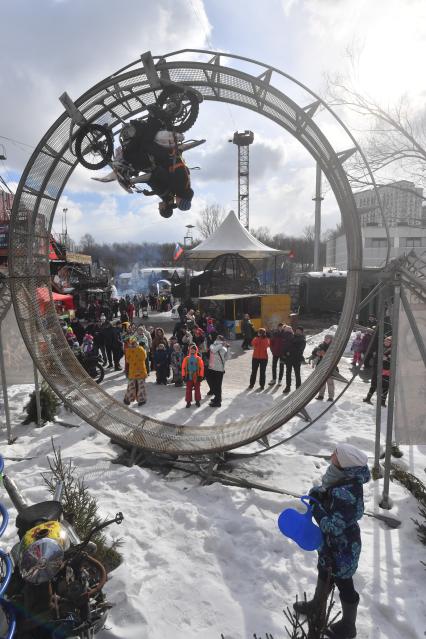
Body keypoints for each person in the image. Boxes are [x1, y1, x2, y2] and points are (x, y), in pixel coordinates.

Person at [293, 443, 370, 639]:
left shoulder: (348, 493)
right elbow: (328, 490)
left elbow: (333, 526)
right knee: (323, 571)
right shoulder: (340, 476)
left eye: (335, 454)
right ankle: (317, 606)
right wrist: (318, 493)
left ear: (344, 463)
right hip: (329, 545)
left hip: (344, 548)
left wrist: (317, 510)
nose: (331, 455)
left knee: (344, 583)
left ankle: (348, 626)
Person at [363, 335, 392, 407]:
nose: (386, 342)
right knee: (374, 384)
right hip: (377, 369)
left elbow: (394, 361)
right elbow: (376, 358)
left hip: (387, 370)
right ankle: (368, 398)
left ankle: (382, 402)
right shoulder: (380, 347)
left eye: (389, 341)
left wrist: (387, 359)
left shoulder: (393, 350)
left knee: (385, 387)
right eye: (386, 340)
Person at [123, 336, 148, 406]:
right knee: (131, 385)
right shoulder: (128, 350)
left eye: (134, 343)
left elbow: (144, 357)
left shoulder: (141, 349)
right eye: (131, 343)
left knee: (141, 386)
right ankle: (127, 399)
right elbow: (127, 360)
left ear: (137, 343)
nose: (133, 344)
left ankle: (142, 400)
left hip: (141, 371)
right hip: (132, 371)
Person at [206, 335, 230, 407]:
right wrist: (222, 345)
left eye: (218, 338)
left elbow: (227, 357)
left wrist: (228, 348)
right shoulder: (212, 346)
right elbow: (213, 350)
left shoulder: (223, 348)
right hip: (212, 368)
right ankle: (217, 398)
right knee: (213, 383)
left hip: (219, 369)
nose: (216, 339)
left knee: (218, 386)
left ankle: (218, 401)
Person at [283, 325, 306, 393]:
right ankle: (288, 387)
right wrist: (286, 352)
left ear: (301, 332)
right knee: (288, 373)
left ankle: (298, 388)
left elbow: (300, 350)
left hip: (296, 359)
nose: (297, 332)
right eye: (296, 330)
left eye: (299, 331)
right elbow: (287, 346)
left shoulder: (302, 340)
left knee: (297, 373)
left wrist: (290, 351)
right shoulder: (292, 337)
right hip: (289, 358)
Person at [314, 334, 335, 401]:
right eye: (325, 337)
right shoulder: (321, 345)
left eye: (327, 338)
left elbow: (334, 356)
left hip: (329, 366)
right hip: (321, 366)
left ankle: (331, 397)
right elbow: (314, 352)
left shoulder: (333, 346)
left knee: (330, 382)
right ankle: (321, 395)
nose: (325, 339)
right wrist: (317, 353)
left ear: (331, 339)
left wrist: (325, 355)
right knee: (321, 382)